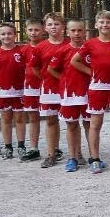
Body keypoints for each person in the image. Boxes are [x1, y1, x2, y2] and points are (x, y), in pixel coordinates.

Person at [73, 12, 110, 173]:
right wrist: (91, 72)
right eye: (101, 22)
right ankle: (95, 159)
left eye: (108, 22)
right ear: (96, 25)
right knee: (95, 124)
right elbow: (74, 61)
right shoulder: (90, 43)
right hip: (97, 88)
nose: (105, 25)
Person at [51, 20, 91, 172]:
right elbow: (51, 69)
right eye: (73, 30)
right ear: (67, 32)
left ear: (85, 32)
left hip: (89, 93)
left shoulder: (90, 48)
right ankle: (72, 157)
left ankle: (94, 157)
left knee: (89, 125)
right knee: (71, 125)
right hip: (70, 94)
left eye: (80, 30)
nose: (77, 33)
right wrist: (64, 80)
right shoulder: (62, 50)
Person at [32, 13, 70, 168]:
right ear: (45, 28)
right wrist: (45, 78)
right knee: (51, 120)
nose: (53, 27)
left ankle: (76, 154)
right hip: (49, 88)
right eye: (50, 24)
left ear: (63, 26)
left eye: (57, 24)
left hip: (69, 88)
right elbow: (35, 67)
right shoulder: (40, 47)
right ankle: (51, 154)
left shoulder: (70, 44)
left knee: (72, 121)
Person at [0, 23, 25, 158]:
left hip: (19, 90)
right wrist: (0, 82)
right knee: (5, 119)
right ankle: (8, 147)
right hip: (2, 91)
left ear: (15, 35)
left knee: (20, 118)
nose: (6, 36)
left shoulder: (22, 51)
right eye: (3, 34)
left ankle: (21, 146)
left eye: (9, 33)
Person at [17, 19, 45, 160]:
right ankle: (34, 148)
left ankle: (55, 148)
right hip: (30, 88)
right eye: (30, 30)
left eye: (37, 30)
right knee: (33, 117)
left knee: (53, 118)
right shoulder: (23, 50)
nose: (33, 33)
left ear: (43, 30)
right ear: (26, 31)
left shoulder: (47, 46)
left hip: (47, 87)